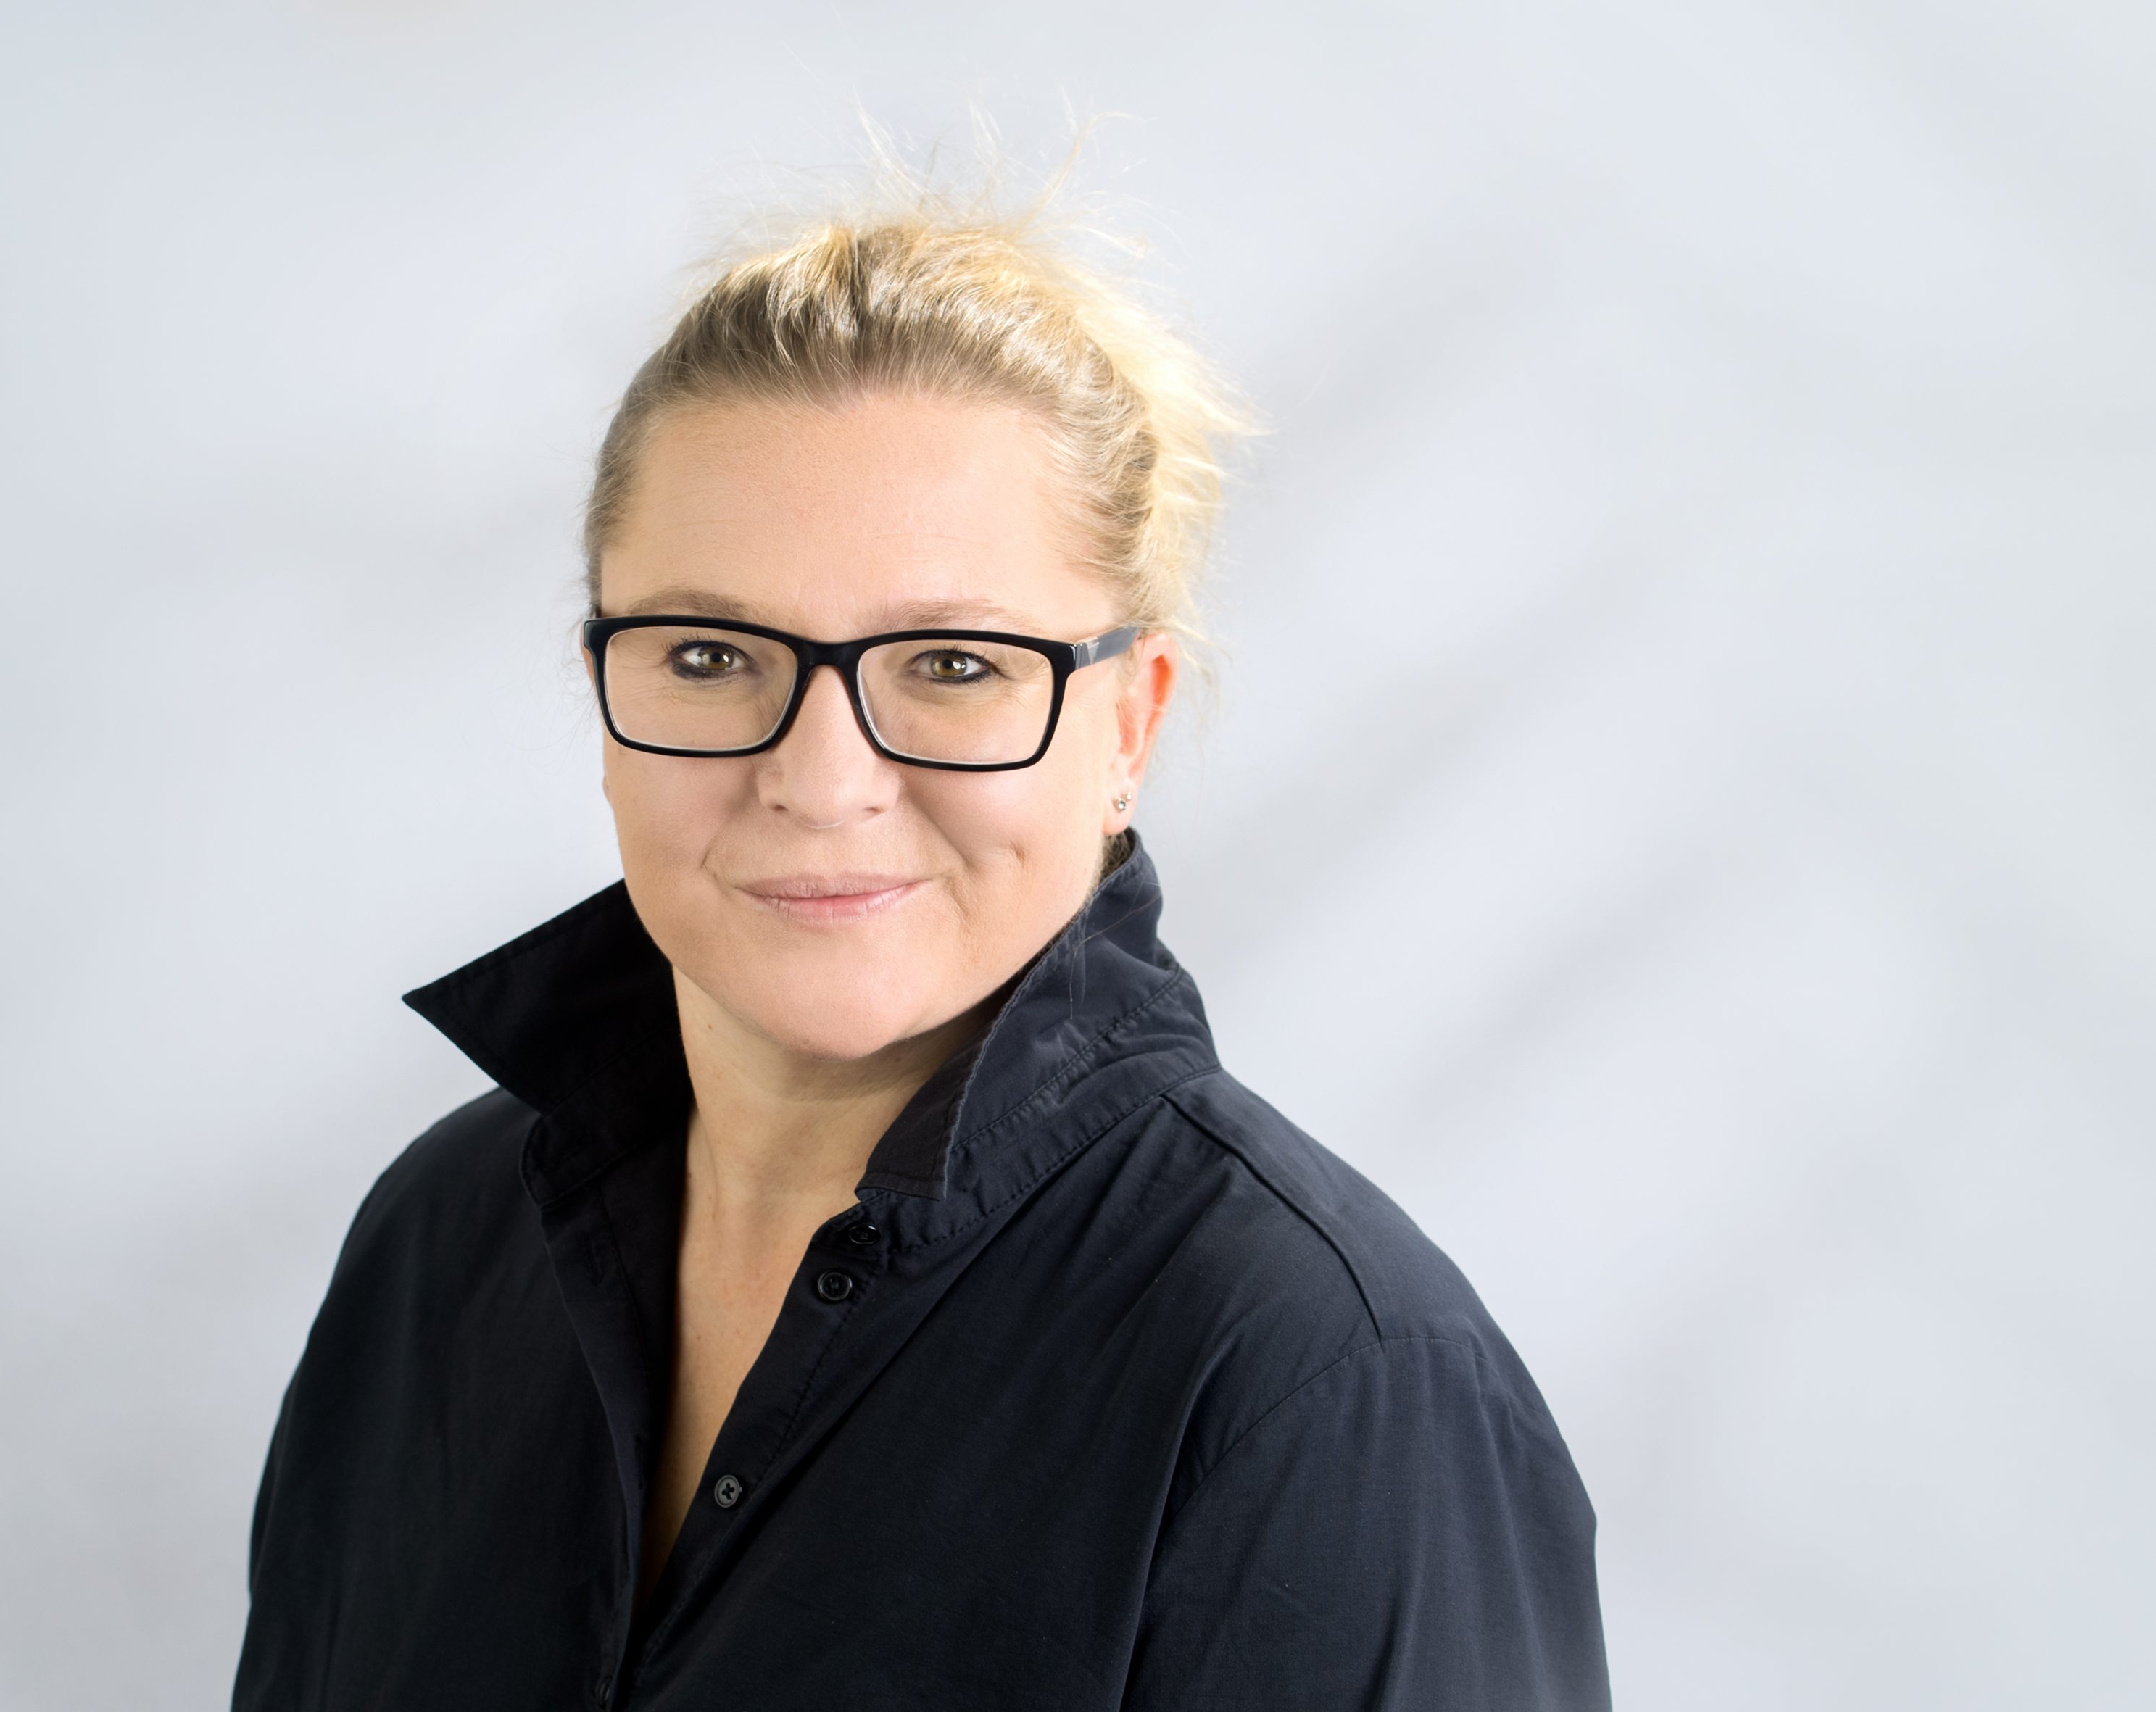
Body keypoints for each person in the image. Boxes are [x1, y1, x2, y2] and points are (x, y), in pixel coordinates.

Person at [233, 194, 1609, 1711]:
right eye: (709, 655)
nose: (822, 781)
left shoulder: (1326, 1379)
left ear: (1128, 724)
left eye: (953, 663)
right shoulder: (437, 1240)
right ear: (605, 691)